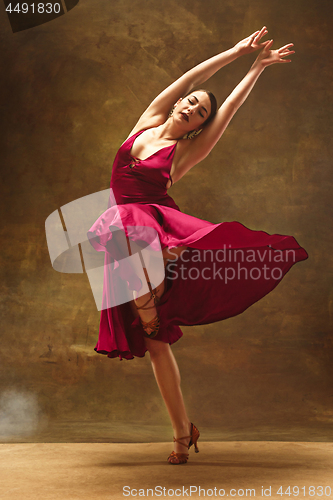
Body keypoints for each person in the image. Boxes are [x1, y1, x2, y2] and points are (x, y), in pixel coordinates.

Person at [87, 27, 308, 464]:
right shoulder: (146, 122)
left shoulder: (183, 153)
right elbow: (190, 79)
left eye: (199, 111)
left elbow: (227, 110)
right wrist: (237, 51)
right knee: (155, 343)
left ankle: (178, 259)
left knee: (154, 330)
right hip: (120, 234)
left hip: (148, 229)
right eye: (190, 101)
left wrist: (256, 68)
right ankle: (182, 431)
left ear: (198, 127)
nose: (191, 106)